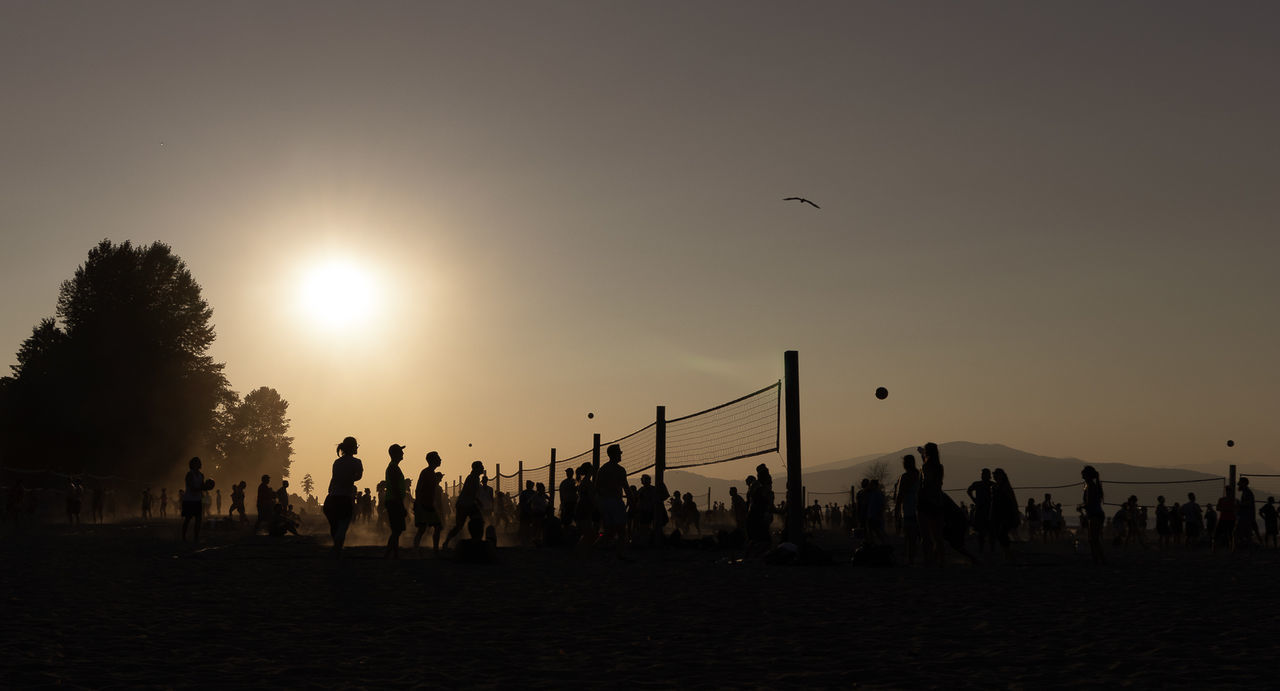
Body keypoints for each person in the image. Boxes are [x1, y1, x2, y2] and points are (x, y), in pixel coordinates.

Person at [323, 436, 364, 555]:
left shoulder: (337, 462)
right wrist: (350, 478)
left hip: (332, 497)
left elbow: (334, 479)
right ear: (353, 448)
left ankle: (337, 547)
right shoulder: (356, 462)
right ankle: (338, 547)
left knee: (334, 525)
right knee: (343, 525)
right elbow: (358, 476)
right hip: (345, 497)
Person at [443, 461, 486, 549]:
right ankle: (446, 542)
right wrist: (478, 502)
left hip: (468, 504)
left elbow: (471, 494)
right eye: (481, 466)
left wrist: (477, 502)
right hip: (464, 505)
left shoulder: (475, 477)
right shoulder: (472, 478)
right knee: (460, 526)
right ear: (476, 468)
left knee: (479, 521)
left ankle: (475, 540)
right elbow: (470, 493)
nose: (483, 468)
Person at [414, 452, 445, 553]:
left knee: (436, 527)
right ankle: (417, 549)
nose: (440, 460)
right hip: (424, 505)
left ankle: (434, 549)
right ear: (433, 460)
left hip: (429, 505)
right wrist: (418, 504)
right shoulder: (426, 472)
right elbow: (418, 489)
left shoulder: (431, 473)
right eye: (438, 458)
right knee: (423, 529)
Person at [894, 455, 921, 565]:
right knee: (917, 536)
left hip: (909, 510)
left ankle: (910, 559)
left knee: (909, 536)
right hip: (920, 509)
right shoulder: (920, 475)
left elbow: (900, 496)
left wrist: (897, 511)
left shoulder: (905, 477)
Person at [384, 444, 408, 558]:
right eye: (400, 452)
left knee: (396, 530)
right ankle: (390, 553)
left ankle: (393, 553)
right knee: (397, 529)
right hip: (394, 501)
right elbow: (395, 488)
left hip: (393, 501)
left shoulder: (393, 467)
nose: (403, 454)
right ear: (395, 454)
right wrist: (401, 505)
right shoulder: (393, 468)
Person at [989, 468, 1019, 561]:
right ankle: (1007, 554)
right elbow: (993, 502)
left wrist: (1014, 513)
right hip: (998, 514)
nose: (994, 476)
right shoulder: (995, 487)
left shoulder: (1005, 487)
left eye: (996, 474)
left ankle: (1008, 554)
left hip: (1006, 513)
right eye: (994, 475)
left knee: (1002, 534)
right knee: (999, 534)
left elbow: (1011, 500)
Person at [1081, 465, 1105, 565]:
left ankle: (1100, 560)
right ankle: (1097, 559)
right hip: (1095, 514)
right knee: (1092, 539)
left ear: (1087, 475)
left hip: (1095, 514)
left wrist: (1081, 507)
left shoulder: (1090, 486)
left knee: (1094, 539)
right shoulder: (1090, 485)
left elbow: (1089, 502)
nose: (1081, 474)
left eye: (1083, 473)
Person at [966, 469, 995, 553]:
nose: (983, 476)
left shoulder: (990, 484)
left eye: (984, 474)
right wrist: (974, 499)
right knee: (983, 532)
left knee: (989, 531)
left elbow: (969, 491)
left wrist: (974, 499)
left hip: (987, 510)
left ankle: (988, 549)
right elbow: (968, 491)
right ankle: (984, 548)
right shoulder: (984, 484)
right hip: (982, 510)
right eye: (983, 474)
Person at [181, 457, 205, 543]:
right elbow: (191, 487)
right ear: (193, 464)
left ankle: (196, 537)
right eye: (197, 463)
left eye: (199, 462)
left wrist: (206, 487)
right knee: (188, 519)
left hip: (197, 500)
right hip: (189, 499)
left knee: (199, 519)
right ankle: (183, 537)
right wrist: (202, 488)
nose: (198, 464)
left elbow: (202, 487)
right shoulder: (189, 474)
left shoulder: (201, 475)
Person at [1237, 477, 1260, 547]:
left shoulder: (1247, 492)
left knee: (1245, 533)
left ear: (1244, 484)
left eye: (1240, 483)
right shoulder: (1246, 492)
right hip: (1247, 516)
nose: (1238, 485)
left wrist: (1239, 504)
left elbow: (1248, 504)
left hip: (1247, 516)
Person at [1214, 485, 1237, 554]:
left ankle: (1231, 549)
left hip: (1230, 519)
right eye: (1227, 490)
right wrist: (1226, 509)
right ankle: (1215, 549)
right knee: (1217, 534)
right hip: (1223, 519)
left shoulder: (1234, 500)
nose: (1227, 492)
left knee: (1230, 534)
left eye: (1228, 491)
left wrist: (1226, 509)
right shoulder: (1222, 499)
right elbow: (1217, 508)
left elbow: (1236, 509)